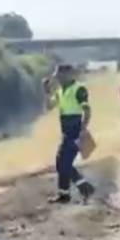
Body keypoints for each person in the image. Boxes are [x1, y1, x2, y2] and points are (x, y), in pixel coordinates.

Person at [47, 64, 96, 204]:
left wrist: (83, 129)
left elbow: (87, 110)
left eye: (60, 76)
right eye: (56, 76)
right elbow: (49, 106)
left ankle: (76, 191)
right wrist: (47, 92)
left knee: (63, 163)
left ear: (69, 75)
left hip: (75, 131)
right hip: (66, 131)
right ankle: (77, 190)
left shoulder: (79, 89)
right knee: (62, 163)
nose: (57, 78)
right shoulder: (60, 91)